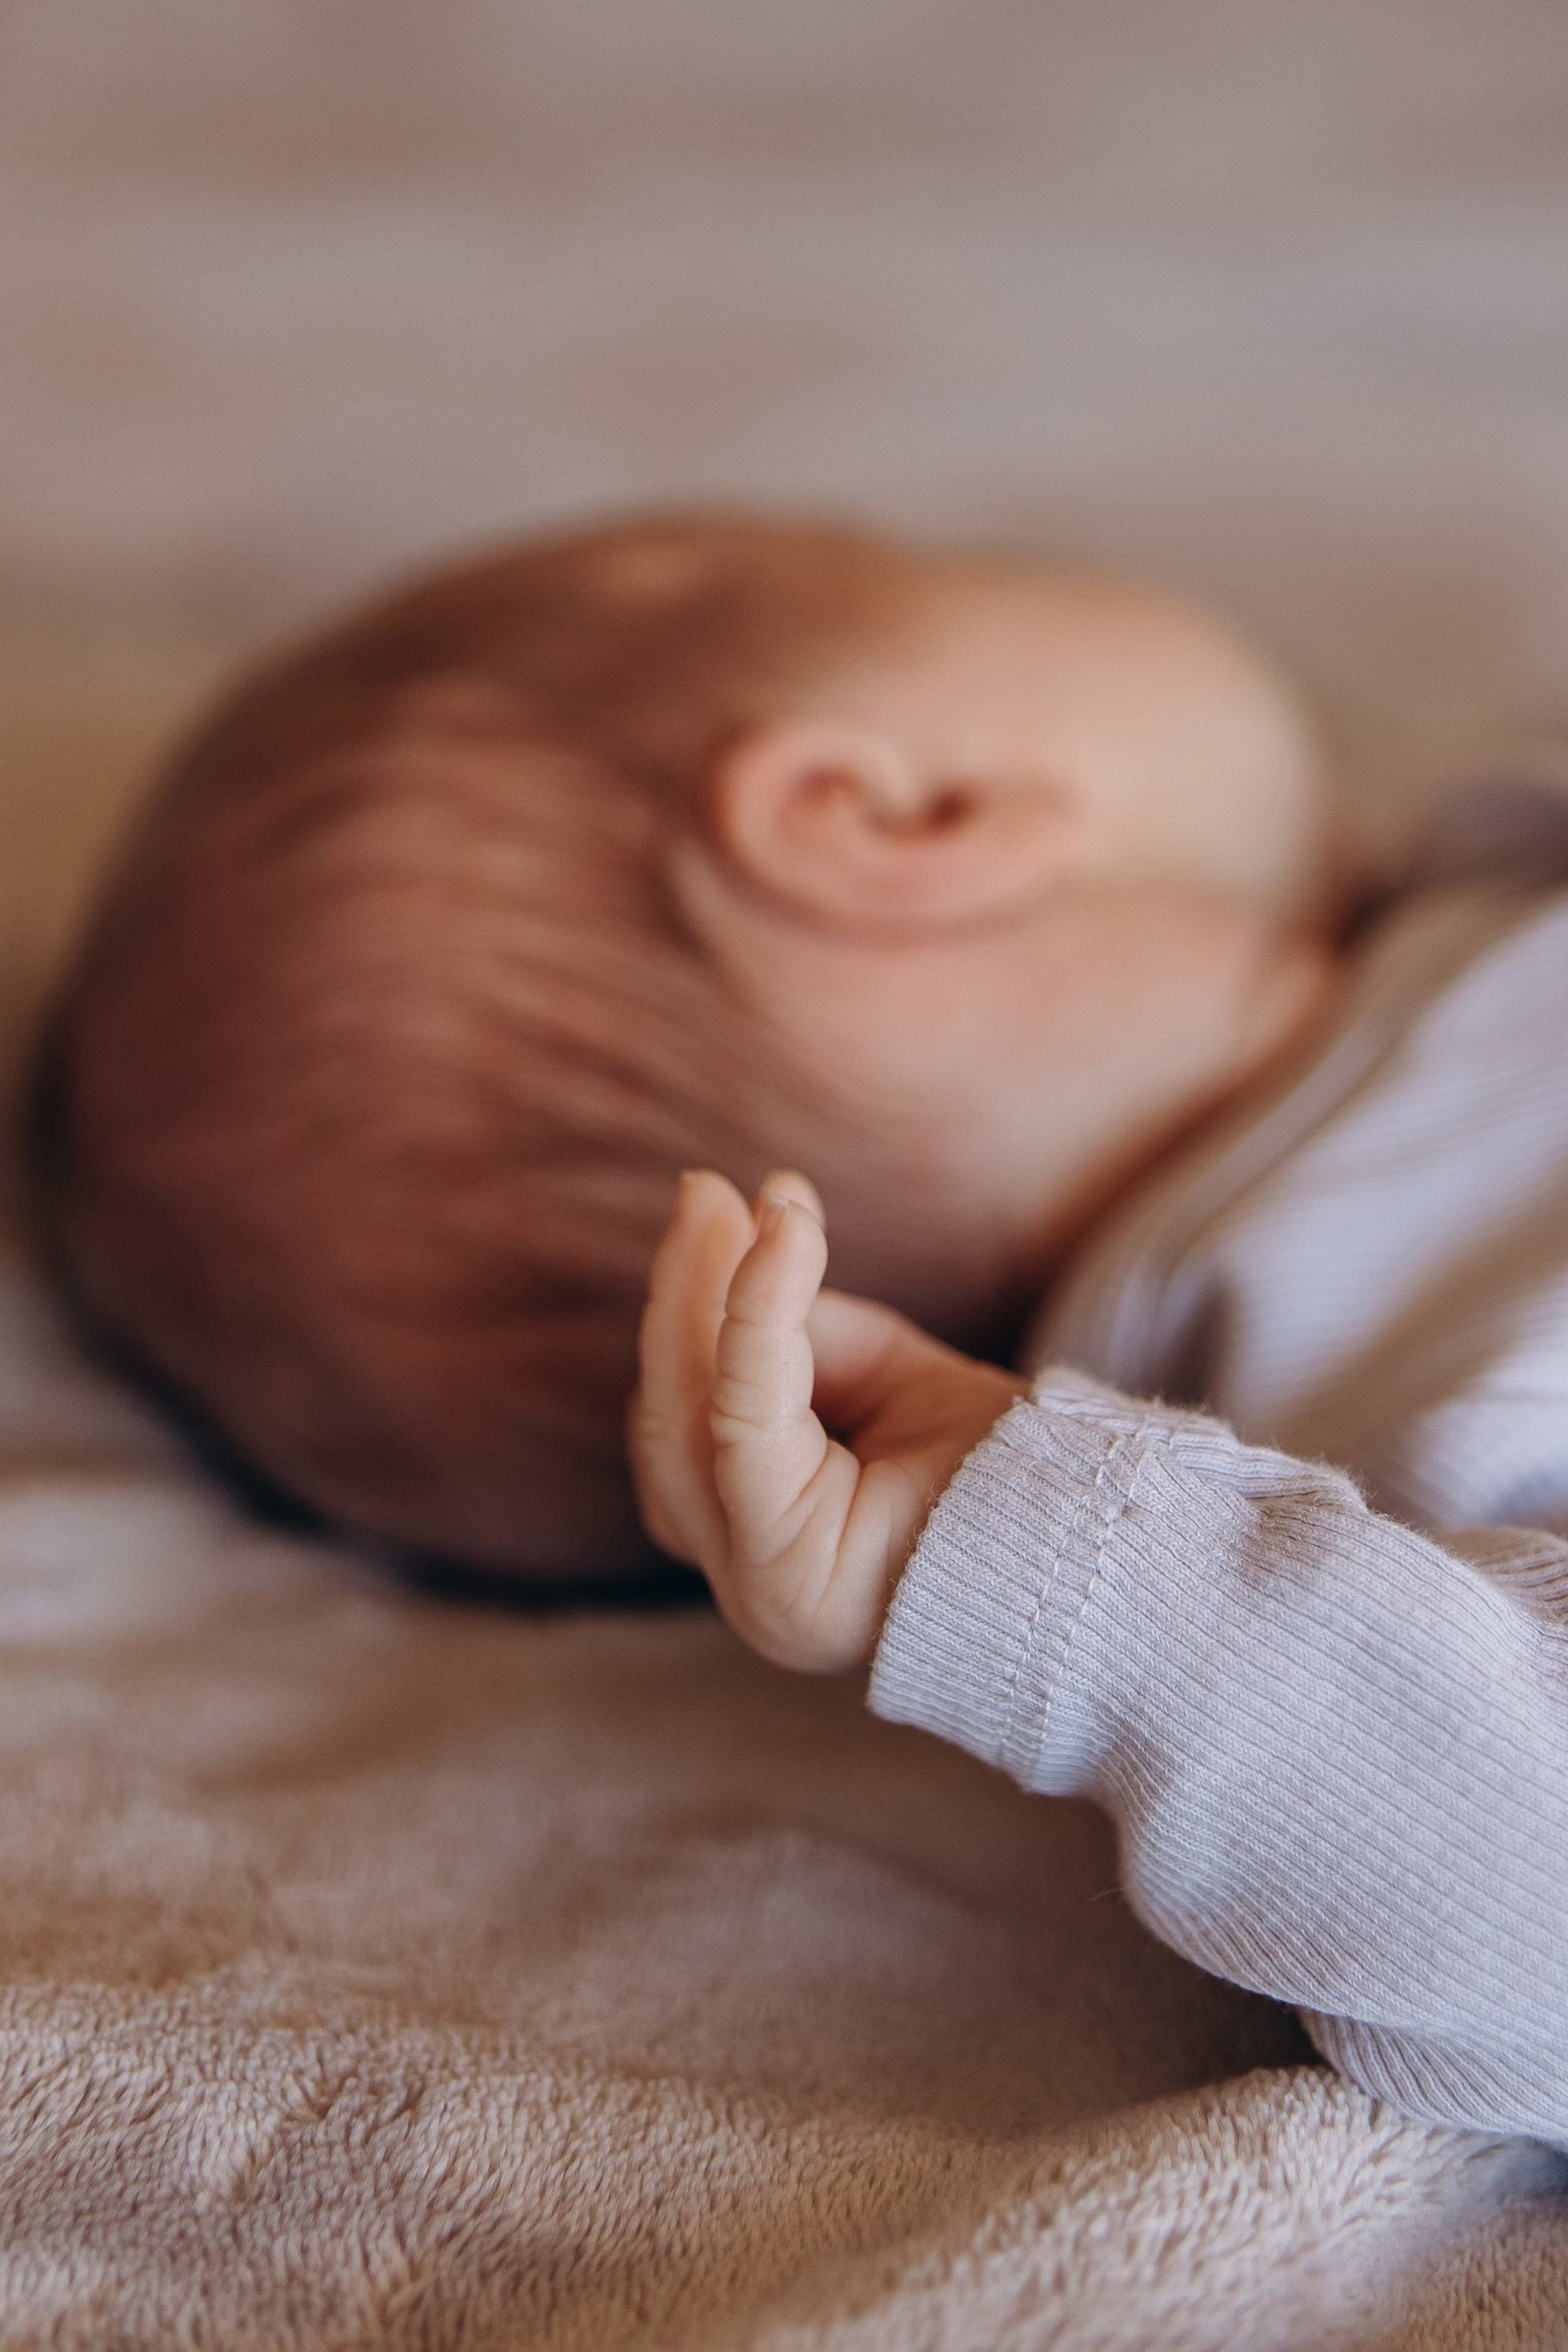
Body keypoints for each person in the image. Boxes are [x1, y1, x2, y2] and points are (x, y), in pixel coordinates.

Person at [33, 507, 1568, 2145]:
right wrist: (1085, 1583)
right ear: (894, 815)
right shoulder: (1366, 1427)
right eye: (948, 556)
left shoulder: (1446, 948)